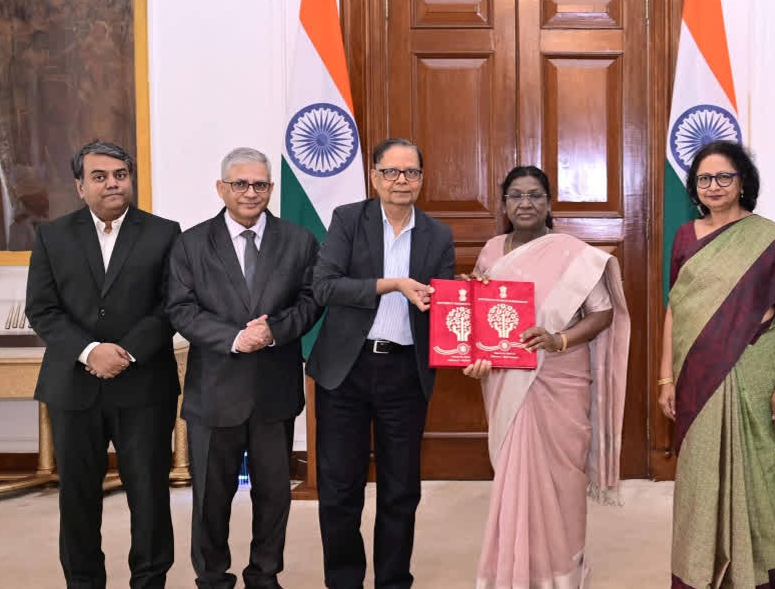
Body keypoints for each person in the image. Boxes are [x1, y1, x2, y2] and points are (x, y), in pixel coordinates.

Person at [658, 141, 775, 589]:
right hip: (697, 378)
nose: (713, 186)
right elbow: (675, 310)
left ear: (743, 182)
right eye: (703, 179)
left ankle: (753, 577)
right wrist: (665, 377)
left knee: (755, 479)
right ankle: (698, 573)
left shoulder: (774, 242)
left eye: (723, 177)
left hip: (754, 376)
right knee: (698, 482)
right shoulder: (683, 236)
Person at [461, 166, 630, 588]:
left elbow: (603, 312)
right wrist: (469, 295)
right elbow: (482, 314)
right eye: (516, 195)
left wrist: (558, 339)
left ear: (549, 203)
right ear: (504, 204)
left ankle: (562, 572)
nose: (526, 203)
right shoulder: (493, 249)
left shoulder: (573, 252)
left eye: (535, 195)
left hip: (562, 379)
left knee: (563, 480)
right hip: (506, 378)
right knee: (515, 475)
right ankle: (514, 571)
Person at [25, 141, 181, 588]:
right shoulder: (52, 236)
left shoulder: (164, 233)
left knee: (149, 497)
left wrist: (126, 352)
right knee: (77, 499)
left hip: (144, 386)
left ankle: (150, 581)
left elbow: (172, 305)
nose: (112, 183)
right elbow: (42, 309)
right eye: (99, 176)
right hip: (73, 387)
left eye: (119, 174)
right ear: (80, 186)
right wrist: (90, 350)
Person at [166, 147, 321, 589]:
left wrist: (272, 331)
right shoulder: (191, 243)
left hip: (274, 390)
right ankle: (212, 577)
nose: (251, 193)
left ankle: (264, 574)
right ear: (222, 188)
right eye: (240, 184)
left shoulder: (299, 240)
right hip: (215, 391)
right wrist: (235, 338)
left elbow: (311, 301)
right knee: (211, 498)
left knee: (274, 496)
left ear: (270, 188)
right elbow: (180, 309)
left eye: (260, 184)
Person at [307, 139, 455, 588]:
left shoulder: (438, 234)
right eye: (391, 172)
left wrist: (465, 302)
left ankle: (393, 581)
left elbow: (444, 305)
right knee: (339, 489)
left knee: (401, 490)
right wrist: (391, 285)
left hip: (404, 373)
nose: (401, 182)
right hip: (346, 372)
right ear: (374, 176)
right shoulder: (349, 220)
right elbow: (324, 287)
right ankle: (345, 581)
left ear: (422, 179)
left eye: (410, 173)